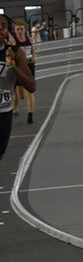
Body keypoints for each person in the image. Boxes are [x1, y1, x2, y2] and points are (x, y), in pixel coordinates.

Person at [0, 15, 36, 159]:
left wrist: (12, 66)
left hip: (4, 113)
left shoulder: (16, 53)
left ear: (8, 30)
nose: (0, 29)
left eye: (3, 26)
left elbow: (31, 86)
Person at [10, 20, 36, 124]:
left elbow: (33, 51)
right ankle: (14, 107)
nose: (20, 31)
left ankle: (30, 116)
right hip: (19, 69)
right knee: (20, 96)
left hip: (29, 68)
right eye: (17, 29)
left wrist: (33, 57)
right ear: (15, 30)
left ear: (25, 29)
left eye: (21, 29)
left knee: (30, 92)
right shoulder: (13, 41)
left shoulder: (29, 39)